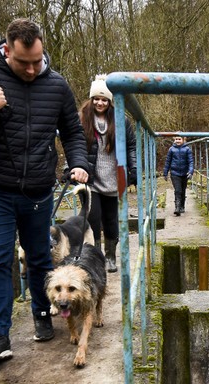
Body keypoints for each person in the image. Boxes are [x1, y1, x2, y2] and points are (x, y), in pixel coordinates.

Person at [0, 18, 89, 362]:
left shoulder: (58, 85)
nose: (33, 69)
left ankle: (42, 314)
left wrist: (79, 164)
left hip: (38, 190)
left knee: (39, 259)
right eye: (23, 63)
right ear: (7, 50)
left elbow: (74, 133)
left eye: (37, 60)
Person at [78, 75, 137, 273]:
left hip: (113, 178)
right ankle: (96, 259)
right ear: (91, 99)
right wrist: (72, 168)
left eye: (104, 99)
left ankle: (111, 256)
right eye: (96, 98)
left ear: (110, 101)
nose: (100, 103)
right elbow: (74, 144)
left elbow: (131, 146)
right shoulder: (82, 118)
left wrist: (134, 169)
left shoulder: (121, 119)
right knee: (92, 219)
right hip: (91, 178)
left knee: (111, 221)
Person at [163, 136, 194, 216]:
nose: (177, 141)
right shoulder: (171, 149)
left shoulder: (187, 149)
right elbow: (168, 161)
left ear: (183, 140)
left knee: (183, 191)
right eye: (176, 139)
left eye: (179, 139)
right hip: (174, 173)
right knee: (178, 190)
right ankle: (177, 207)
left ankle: (182, 206)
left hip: (185, 173)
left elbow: (190, 161)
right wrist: (165, 172)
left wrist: (190, 171)